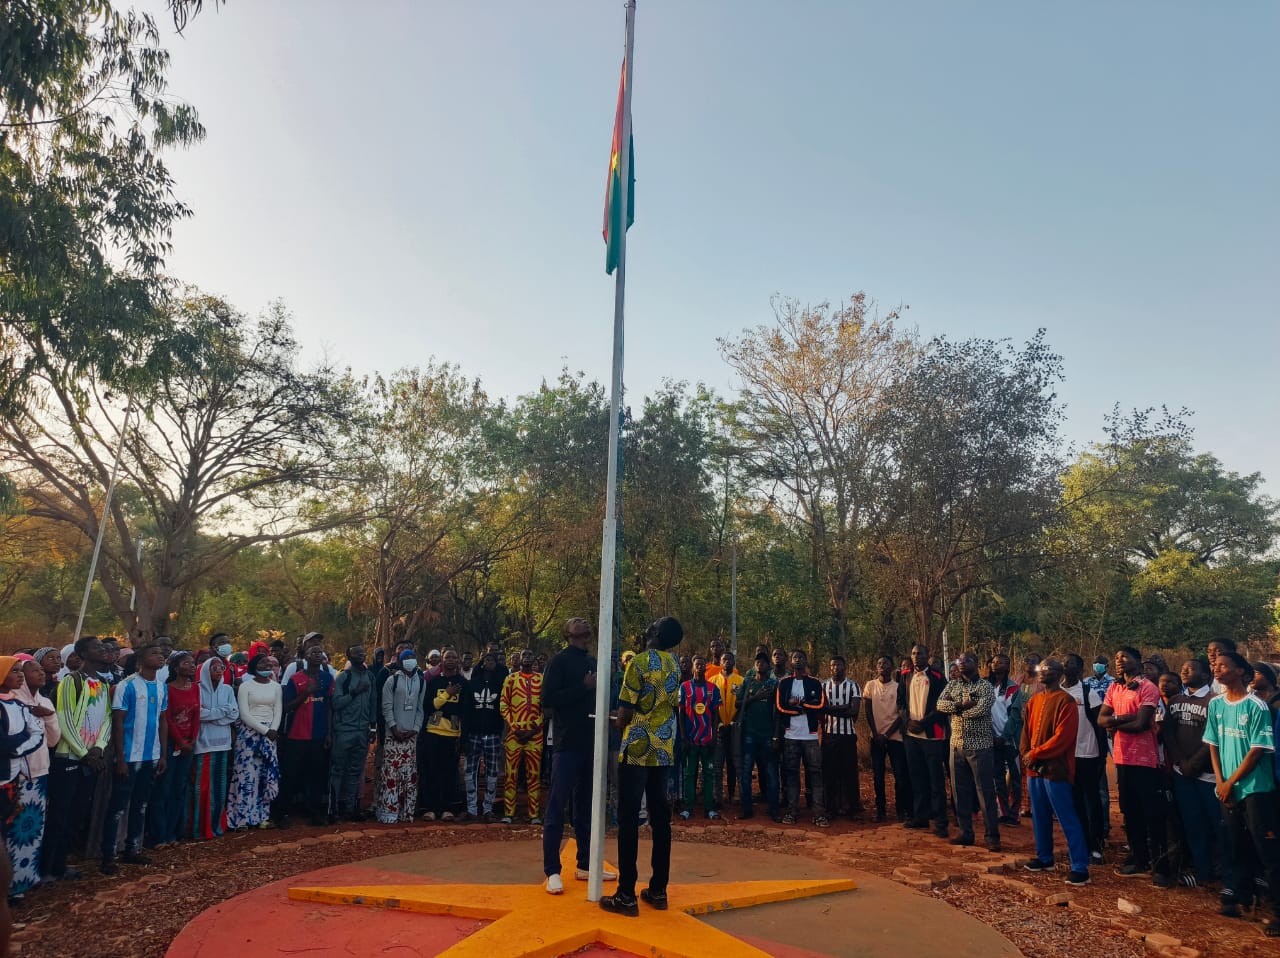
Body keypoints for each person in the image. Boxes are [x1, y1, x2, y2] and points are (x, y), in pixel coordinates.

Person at [601, 616, 683, 917]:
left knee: (628, 818)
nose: (648, 625)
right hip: (663, 749)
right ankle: (658, 890)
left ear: (656, 632)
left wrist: (612, 719)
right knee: (661, 820)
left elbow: (625, 713)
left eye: (654, 623)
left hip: (637, 749)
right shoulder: (674, 665)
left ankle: (626, 894)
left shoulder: (637, 663)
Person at [1204, 650, 1280, 934]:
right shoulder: (1216, 705)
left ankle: (1277, 911)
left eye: (1224, 666)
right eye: (1216, 665)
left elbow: (1257, 750)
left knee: (1267, 850)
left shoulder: (1257, 706)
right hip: (1227, 789)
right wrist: (1220, 781)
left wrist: (1230, 782)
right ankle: (1243, 898)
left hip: (1255, 789)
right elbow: (1213, 744)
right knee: (1235, 844)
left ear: (1240, 671)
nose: (1217, 669)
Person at [541, 618, 606, 894]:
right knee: (557, 804)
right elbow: (547, 699)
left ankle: (586, 865)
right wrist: (583, 687)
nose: (582, 621)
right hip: (566, 743)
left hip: (591, 743)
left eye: (583, 620)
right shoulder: (559, 661)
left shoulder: (592, 661)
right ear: (567, 633)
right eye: (575, 622)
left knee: (586, 807)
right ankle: (552, 871)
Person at [42, 636, 112, 881]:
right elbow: (65, 719)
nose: (103, 650)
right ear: (82, 654)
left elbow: (107, 718)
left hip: (91, 759)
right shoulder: (71, 682)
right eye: (96, 647)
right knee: (59, 814)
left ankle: (60, 865)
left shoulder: (103, 683)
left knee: (76, 813)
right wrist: (84, 753)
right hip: (69, 758)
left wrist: (99, 747)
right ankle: (46, 868)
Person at [1099, 646, 1169, 886]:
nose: (1119, 661)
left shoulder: (1148, 687)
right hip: (1122, 758)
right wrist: (1125, 718)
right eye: (1116, 657)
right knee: (1130, 811)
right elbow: (1101, 719)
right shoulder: (1114, 687)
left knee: (1153, 814)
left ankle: (1162, 866)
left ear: (1138, 661)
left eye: (1125, 657)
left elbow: (1141, 724)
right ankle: (1140, 860)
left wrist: (1115, 723)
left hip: (1145, 760)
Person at [1019, 659, 1090, 885]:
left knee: (1066, 816)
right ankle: (1044, 857)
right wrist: (1025, 752)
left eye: (1048, 670)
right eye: (1040, 669)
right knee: (1039, 816)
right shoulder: (1034, 700)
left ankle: (1080, 867)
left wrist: (1036, 753)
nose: (1042, 672)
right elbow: (1026, 731)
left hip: (1056, 769)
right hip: (1034, 768)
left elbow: (1063, 737)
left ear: (1059, 674)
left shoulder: (1066, 701)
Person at [101, 640, 169, 875]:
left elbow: (162, 720)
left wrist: (162, 754)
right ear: (140, 660)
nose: (160, 656)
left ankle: (133, 849)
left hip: (152, 755)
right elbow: (118, 722)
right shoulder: (127, 685)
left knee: (141, 804)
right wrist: (120, 758)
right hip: (129, 757)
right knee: (118, 806)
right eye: (154, 653)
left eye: (161, 653)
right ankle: (108, 855)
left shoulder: (161, 687)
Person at [1165, 656, 1220, 889]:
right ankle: (1202, 871)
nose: (1185, 671)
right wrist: (1181, 760)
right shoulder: (1175, 700)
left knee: (1216, 824)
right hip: (1182, 773)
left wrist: (1195, 762)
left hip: (1208, 774)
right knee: (1192, 823)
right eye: (1183, 668)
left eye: (1191, 668)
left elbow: (1213, 737)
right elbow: (1169, 732)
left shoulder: (1214, 701)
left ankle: (1226, 873)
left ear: (1206, 675)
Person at [937, 652, 1001, 851]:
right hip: (956, 745)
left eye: (967, 660)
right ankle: (966, 833)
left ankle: (992, 836)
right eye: (959, 661)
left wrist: (956, 710)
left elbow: (980, 710)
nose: (962, 663)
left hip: (980, 746)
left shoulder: (985, 686)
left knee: (985, 792)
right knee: (959, 791)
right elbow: (940, 705)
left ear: (976, 663)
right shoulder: (953, 684)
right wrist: (960, 705)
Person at [4, 657, 54, 898]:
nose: (20, 675)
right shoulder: (13, 705)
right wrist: (21, 744)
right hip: (14, 777)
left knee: (31, 830)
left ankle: (26, 878)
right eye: (15, 671)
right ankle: (8, 886)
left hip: (39, 773)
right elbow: (11, 743)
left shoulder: (37, 703)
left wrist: (48, 717)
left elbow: (48, 738)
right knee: (11, 832)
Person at [277, 643, 334, 827]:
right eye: (313, 652)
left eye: (320, 652)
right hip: (296, 735)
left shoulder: (327, 678)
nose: (317, 655)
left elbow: (329, 706)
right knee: (290, 775)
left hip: (319, 735)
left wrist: (329, 733)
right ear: (306, 657)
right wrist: (306, 692)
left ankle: (314, 812)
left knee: (316, 775)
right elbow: (287, 707)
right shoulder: (296, 678)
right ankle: (282, 813)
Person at [227, 653, 282, 830]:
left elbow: (278, 710)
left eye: (269, 663)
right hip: (249, 735)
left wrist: (273, 730)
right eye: (263, 663)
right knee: (246, 776)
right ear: (254, 667)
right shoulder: (245, 686)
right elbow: (244, 714)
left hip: (270, 734)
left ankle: (262, 817)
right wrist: (265, 731)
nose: (267, 665)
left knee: (265, 775)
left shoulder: (276, 687)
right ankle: (242, 819)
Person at [899, 645, 949, 837]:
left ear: (928, 656)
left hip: (931, 736)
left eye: (920, 653)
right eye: (913, 653)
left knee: (936, 780)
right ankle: (921, 817)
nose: (916, 656)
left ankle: (940, 822)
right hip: (911, 736)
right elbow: (900, 702)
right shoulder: (905, 676)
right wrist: (908, 721)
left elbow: (942, 706)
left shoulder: (937, 677)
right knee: (917, 777)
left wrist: (923, 723)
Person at [150, 651, 199, 848]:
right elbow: (167, 719)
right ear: (176, 668)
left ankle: (173, 833)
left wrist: (192, 740)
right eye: (186, 663)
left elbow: (196, 715)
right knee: (163, 789)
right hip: (170, 744)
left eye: (193, 663)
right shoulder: (167, 689)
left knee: (179, 789)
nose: (192, 666)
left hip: (188, 744)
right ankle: (159, 835)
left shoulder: (195, 688)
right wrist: (180, 742)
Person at [1061, 654, 1107, 864]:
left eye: (1070, 663)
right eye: (1063, 662)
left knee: (1092, 801)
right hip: (1065, 757)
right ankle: (1079, 843)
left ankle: (1096, 845)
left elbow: (1100, 727)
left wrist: (1101, 757)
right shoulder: (1057, 691)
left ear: (1079, 670)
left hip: (1087, 754)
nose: (1065, 665)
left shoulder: (1089, 693)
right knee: (1073, 801)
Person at [776, 649, 828, 828]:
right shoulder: (784, 683)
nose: (797, 660)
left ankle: (819, 813)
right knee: (791, 773)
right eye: (795, 657)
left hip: (810, 736)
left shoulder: (815, 682)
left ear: (806, 661)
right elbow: (780, 707)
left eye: (801, 657)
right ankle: (792, 811)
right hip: (791, 735)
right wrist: (801, 709)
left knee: (815, 773)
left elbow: (821, 704)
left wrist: (799, 704)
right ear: (790, 662)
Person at [188, 656, 238, 839]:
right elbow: (198, 715)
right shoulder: (197, 689)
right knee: (201, 788)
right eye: (214, 668)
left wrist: (212, 715)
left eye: (221, 667)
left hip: (223, 743)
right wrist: (221, 712)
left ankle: (217, 825)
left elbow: (234, 714)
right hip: (204, 744)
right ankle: (199, 828)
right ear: (205, 670)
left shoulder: (227, 689)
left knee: (219, 786)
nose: (219, 671)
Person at [377, 650, 424, 824]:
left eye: (412, 657)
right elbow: (386, 707)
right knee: (391, 774)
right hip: (393, 736)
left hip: (411, 736)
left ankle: (406, 813)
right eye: (406, 658)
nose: (410, 661)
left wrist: (415, 729)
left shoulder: (421, 680)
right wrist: (394, 728)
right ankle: (389, 813)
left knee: (409, 776)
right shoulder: (392, 680)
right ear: (400, 662)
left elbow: (420, 708)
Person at [330, 644, 376, 822]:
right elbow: (336, 703)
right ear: (349, 656)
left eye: (363, 652)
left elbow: (373, 702)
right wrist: (354, 693)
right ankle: (333, 809)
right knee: (338, 770)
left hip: (363, 731)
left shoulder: (370, 676)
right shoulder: (344, 677)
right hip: (344, 730)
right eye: (357, 653)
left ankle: (350, 809)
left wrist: (373, 727)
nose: (361, 654)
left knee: (355, 770)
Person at [419, 649, 465, 821]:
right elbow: (428, 706)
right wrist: (447, 694)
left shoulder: (463, 683)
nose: (450, 660)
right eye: (447, 657)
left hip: (453, 735)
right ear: (442, 661)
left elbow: (465, 711)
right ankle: (430, 808)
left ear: (458, 661)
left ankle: (447, 808)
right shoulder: (433, 682)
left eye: (454, 657)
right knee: (431, 771)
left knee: (449, 772)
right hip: (433, 732)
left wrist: (462, 737)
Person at [499, 649, 544, 824]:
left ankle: (534, 815)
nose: (527, 658)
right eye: (524, 655)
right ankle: (508, 813)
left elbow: (546, 707)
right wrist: (515, 727)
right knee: (511, 774)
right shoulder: (510, 679)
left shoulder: (541, 679)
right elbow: (504, 705)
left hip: (535, 735)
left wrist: (533, 729)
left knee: (534, 775)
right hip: (514, 735)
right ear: (519, 659)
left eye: (530, 655)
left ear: (534, 659)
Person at [863, 655, 910, 823]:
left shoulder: (898, 687)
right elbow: (868, 711)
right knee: (878, 776)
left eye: (885, 663)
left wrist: (887, 735)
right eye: (879, 663)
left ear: (892, 667)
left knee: (900, 775)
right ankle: (880, 810)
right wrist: (876, 734)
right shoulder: (870, 685)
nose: (882, 665)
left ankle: (901, 810)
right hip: (876, 738)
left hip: (895, 737)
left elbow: (901, 715)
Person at [462, 651, 505, 821]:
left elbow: (503, 711)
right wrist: (464, 737)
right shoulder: (472, 684)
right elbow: (466, 711)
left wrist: (500, 733)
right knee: (470, 771)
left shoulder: (500, 685)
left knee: (492, 772)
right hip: (473, 734)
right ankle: (472, 809)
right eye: (486, 659)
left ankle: (488, 808)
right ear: (481, 664)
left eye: (492, 659)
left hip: (493, 735)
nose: (489, 661)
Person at [737, 651, 780, 822]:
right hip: (749, 734)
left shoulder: (774, 684)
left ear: (769, 666)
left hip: (768, 735)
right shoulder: (747, 682)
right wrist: (756, 697)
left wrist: (776, 735)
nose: (760, 664)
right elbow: (737, 704)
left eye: (763, 662)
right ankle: (746, 808)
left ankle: (774, 809)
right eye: (757, 662)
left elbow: (778, 711)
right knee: (746, 772)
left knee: (771, 773)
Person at [678, 655, 721, 821]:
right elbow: (681, 713)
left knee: (708, 773)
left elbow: (716, 714)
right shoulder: (684, 687)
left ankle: (709, 808)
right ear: (693, 667)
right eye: (697, 664)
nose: (700, 667)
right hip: (691, 739)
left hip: (707, 740)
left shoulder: (712, 688)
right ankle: (688, 808)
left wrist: (714, 735)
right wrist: (683, 737)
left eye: (703, 664)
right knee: (689, 774)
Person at [822, 655, 862, 820]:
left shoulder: (853, 685)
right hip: (829, 735)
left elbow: (854, 711)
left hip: (848, 736)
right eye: (833, 665)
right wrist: (844, 707)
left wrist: (832, 709)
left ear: (844, 667)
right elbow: (822, 709)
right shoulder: (824, 685)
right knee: (829, 773)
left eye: (839, 665)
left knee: (850, 773)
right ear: (830, 668)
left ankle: (853, 808)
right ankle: (830, 808)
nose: (836, 668)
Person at [987, 653, 1021, 824]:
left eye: (1001, 662)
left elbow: (1015, 716)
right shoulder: (986, 686)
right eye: (994, 662)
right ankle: (1002, 811)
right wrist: (992, 736)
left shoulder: (1013, 688)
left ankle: (1015, 813)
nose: (996, 664)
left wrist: (1004, 736)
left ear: (1007, 667)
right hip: (992, 739)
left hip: (1011, 740)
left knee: (1015, 778)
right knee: (997, 777)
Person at [709, 651, 742, 810]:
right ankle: (717, 796)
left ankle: (733, 794)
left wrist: (734, 722)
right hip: (719, 729)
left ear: (733, 662)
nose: (727, 661)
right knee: (717, 765)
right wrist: (719, 724)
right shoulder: (712, 681)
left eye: (730, 659)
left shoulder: (741, 681)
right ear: (720, 662)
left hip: (735, 729)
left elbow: (742, 704)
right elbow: (709, 706)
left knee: (734, 764)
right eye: (724, 659)